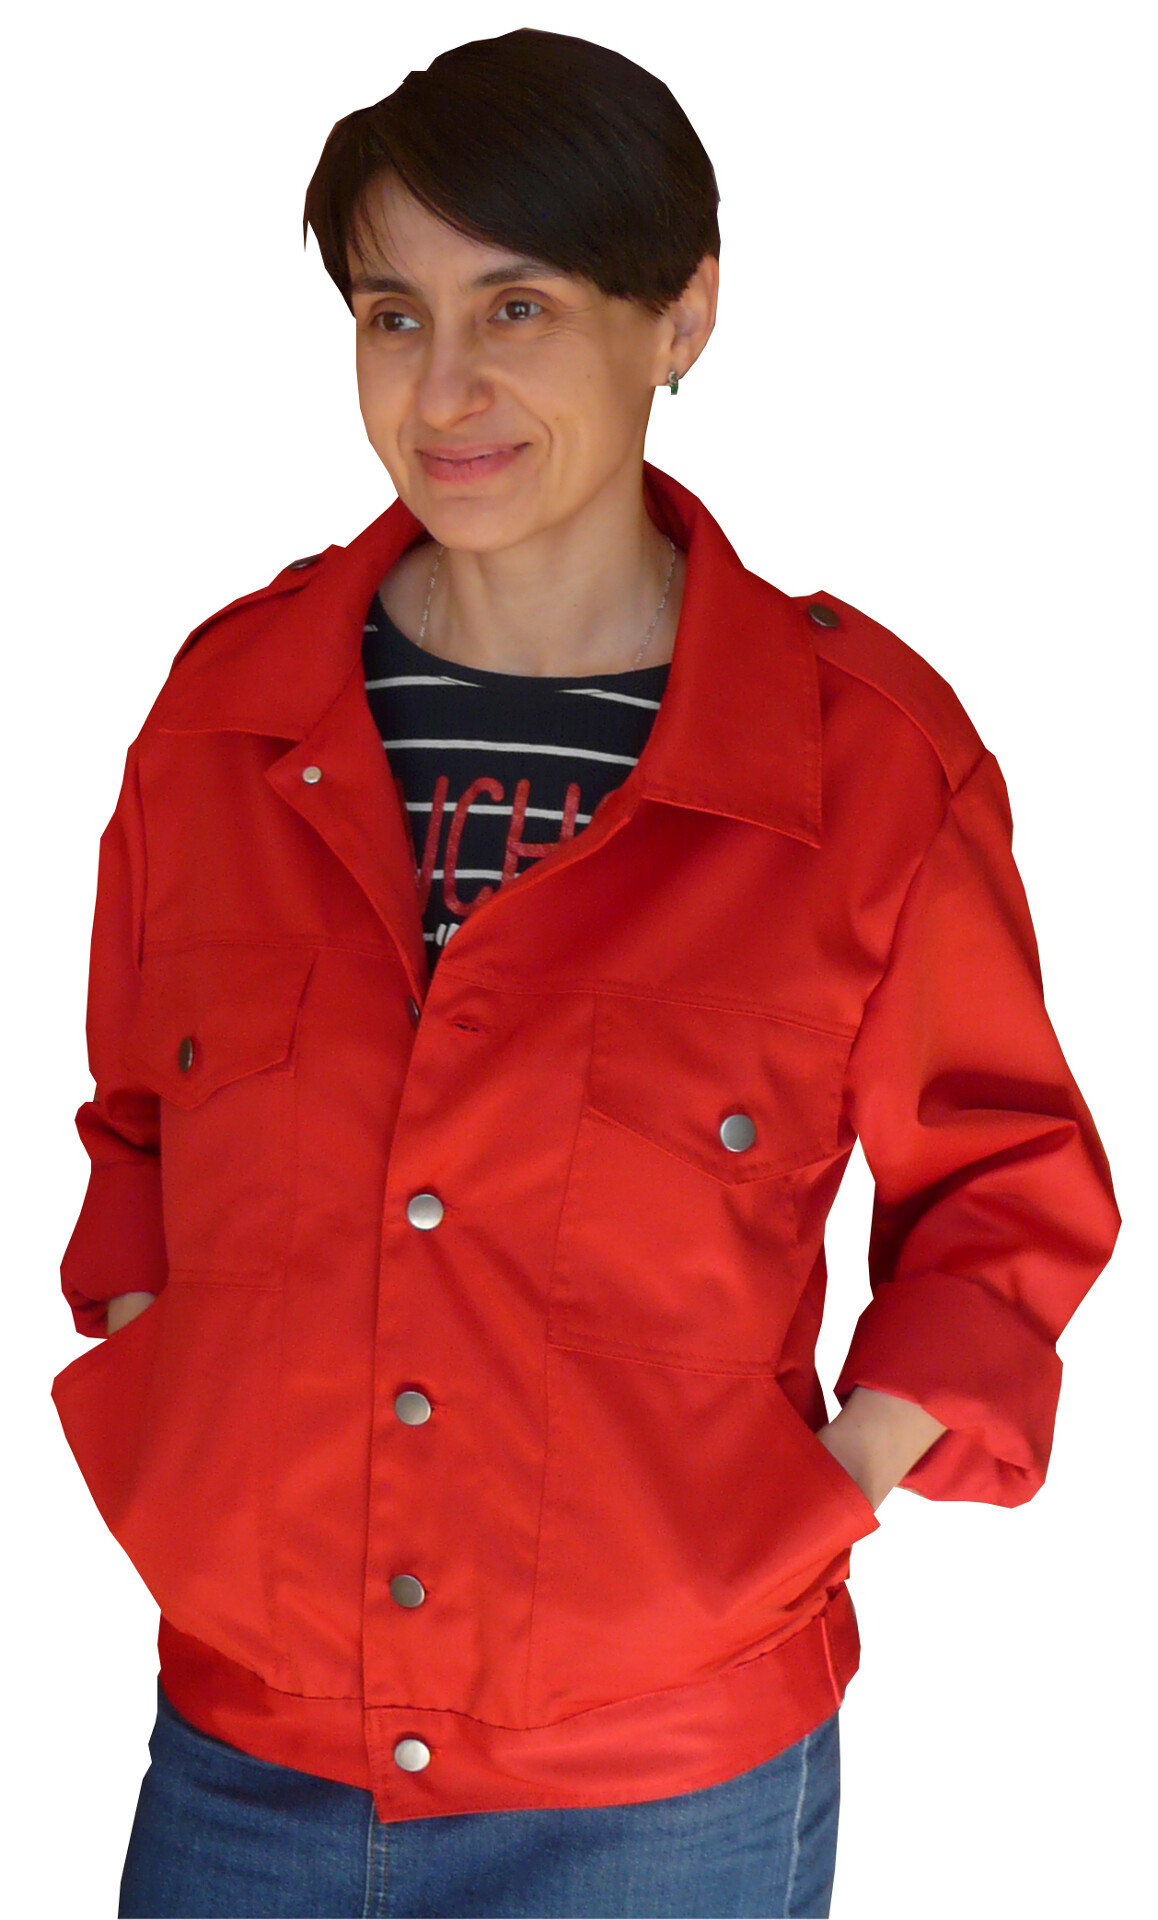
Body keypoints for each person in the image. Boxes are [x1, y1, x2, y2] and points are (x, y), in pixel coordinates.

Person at [51, 26, 1119, 1920]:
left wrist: (817, 1490)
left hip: (659, 1787)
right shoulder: (223, 713)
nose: (441, 388)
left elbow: (1002, 1187)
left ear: (681, 313)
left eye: (517, 307)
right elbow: (139, 1118)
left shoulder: (863, 764)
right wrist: (164, 1396)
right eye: (392, 315)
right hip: (245, 1759)